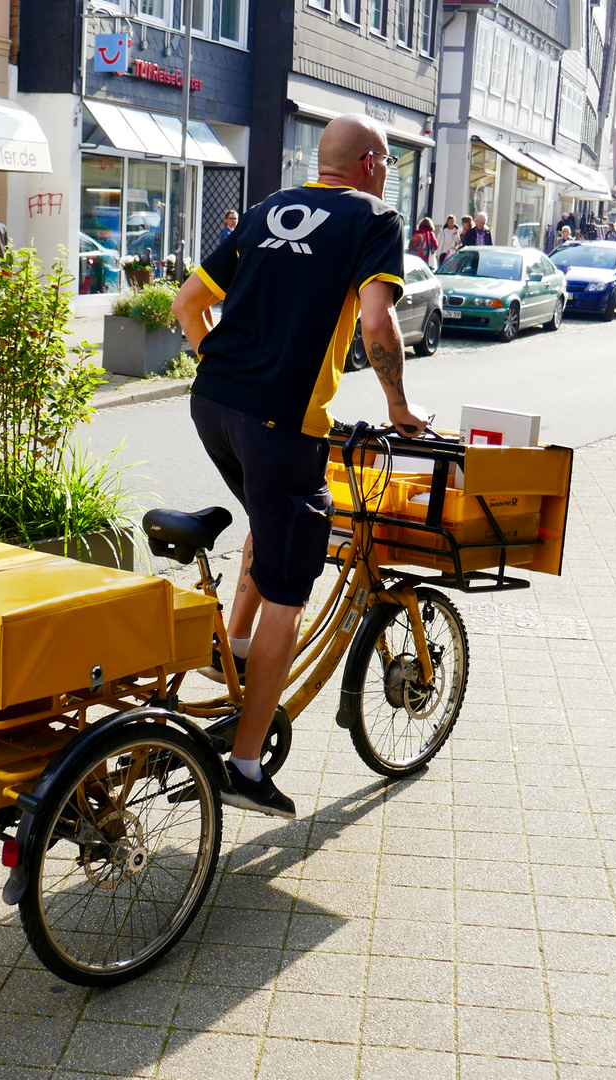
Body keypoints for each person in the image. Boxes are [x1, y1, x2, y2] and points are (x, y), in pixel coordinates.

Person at [170, 114, 428, 818]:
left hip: (213, 403)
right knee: (293, 586)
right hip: (279, 421)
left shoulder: (264, 211)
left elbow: (188, 306)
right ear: (372, 164)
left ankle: (238, 650)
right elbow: (377, 324)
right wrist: (400, 408)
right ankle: (246, 765)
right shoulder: (375, 217)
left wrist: (228, 370)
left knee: (271, 513)